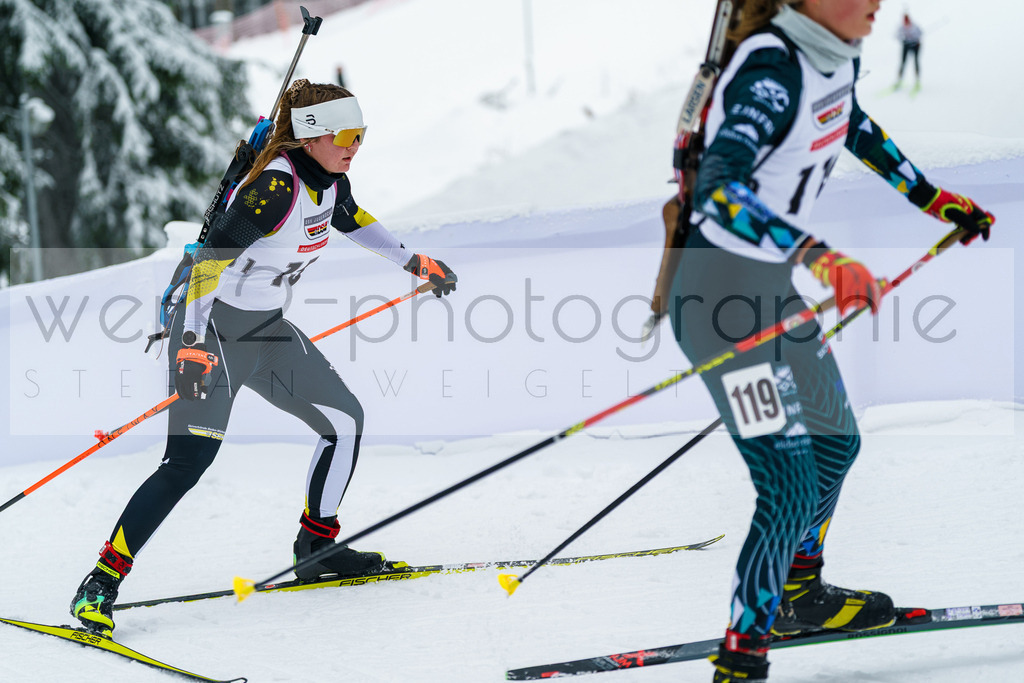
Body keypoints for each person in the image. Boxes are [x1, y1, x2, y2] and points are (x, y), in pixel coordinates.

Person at [662, 2, 994, 681]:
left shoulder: (831, 55)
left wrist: (935, 200)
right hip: (719, 306)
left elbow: (854, 126)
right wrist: (820, 256)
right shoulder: (771, 70)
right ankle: (741, 660)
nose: (874, 2)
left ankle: (797, 594)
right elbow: (721, 189)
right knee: (785, 481)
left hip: (767, 295)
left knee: (836, 443)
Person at [69, 79, 458, 638]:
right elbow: (209, 263)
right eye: (347, 135)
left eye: (361, 135)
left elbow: (350, 217)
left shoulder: (330, 180)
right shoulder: (275, 188)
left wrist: (413, 262)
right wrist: (197, 345)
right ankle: (101, 582)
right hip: (208, 330)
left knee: (345, 422)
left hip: (267, 330)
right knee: (189, 462)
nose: (355, 146)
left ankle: (316, 549)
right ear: (311, 135)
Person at [895, 12, 922, 88]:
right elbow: (897, 35)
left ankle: (917, 80)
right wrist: (903, 39)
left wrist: (914, 38)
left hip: (915, 45)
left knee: (916, 61)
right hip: (906, 45)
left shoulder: (914, 26)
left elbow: (920, 33)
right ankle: (899, 79)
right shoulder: (901, 27)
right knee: (903, 62)